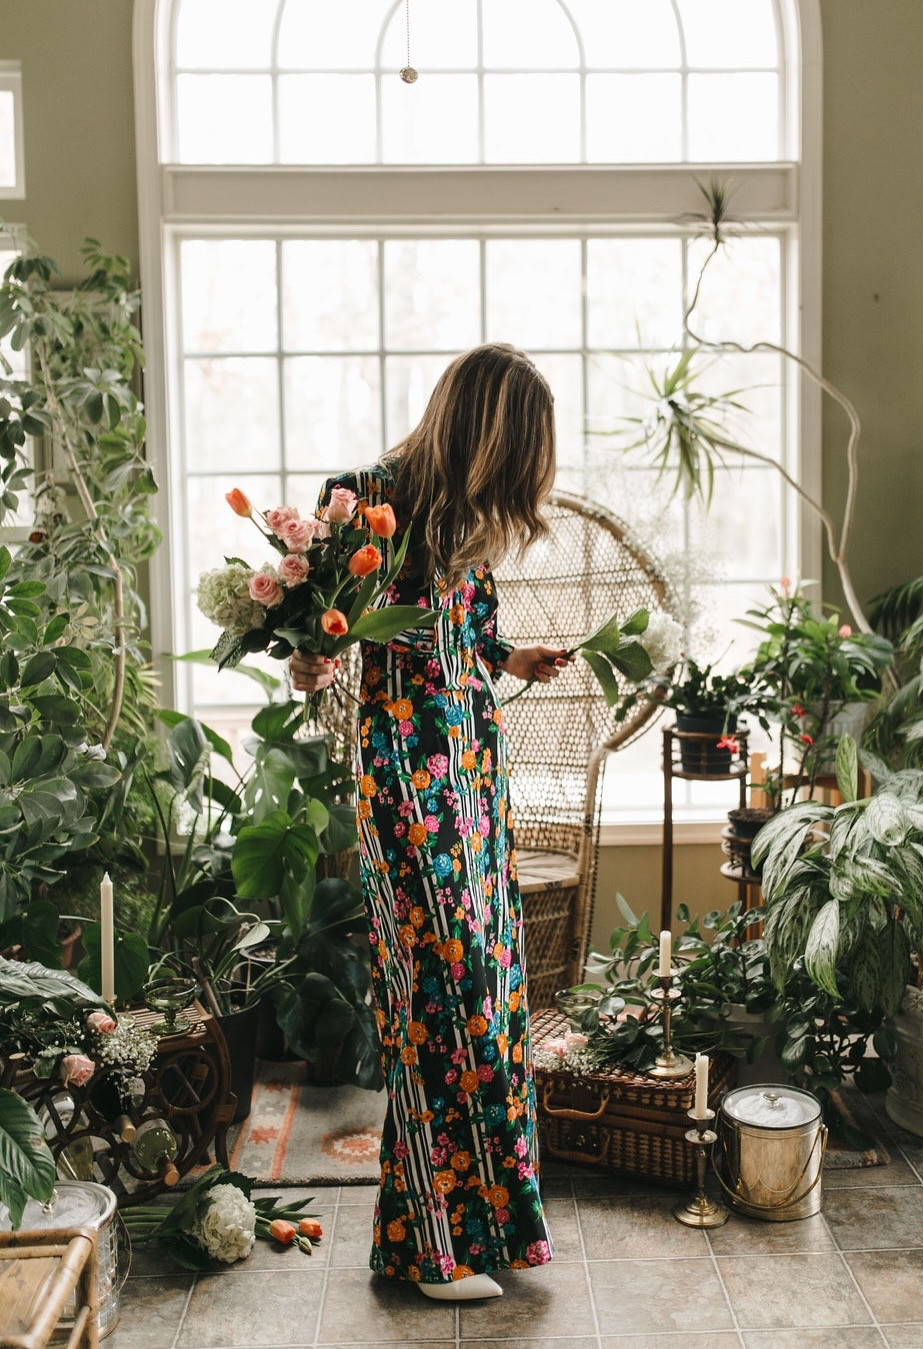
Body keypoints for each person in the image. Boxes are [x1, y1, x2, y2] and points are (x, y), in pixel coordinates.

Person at [290, 343, 568, 1301]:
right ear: (487, 435)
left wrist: (511, 656)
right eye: (525, 454)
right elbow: (316, 634)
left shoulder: (463, 521)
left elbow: (464, 634)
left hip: (473, 777)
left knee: (485, 995)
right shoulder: (361, 501)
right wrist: (312, 654)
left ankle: (493, 1224)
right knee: (437, 1002)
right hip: (406, 786)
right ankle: (426, 1247)